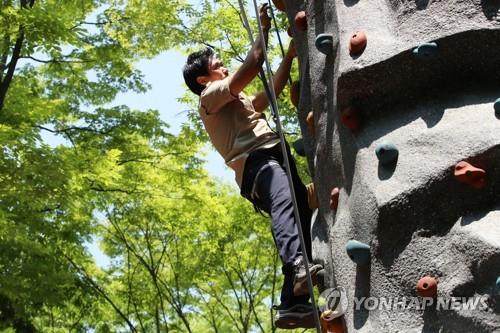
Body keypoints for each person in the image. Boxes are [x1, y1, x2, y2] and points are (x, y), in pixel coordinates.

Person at [182, 3, 322, 328]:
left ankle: (293, 304)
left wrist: (289, 56)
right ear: (204, 78)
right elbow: (253, 63)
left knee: (300, 212)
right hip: (257, 163)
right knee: (288, 200)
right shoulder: (209, 97)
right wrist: (262, 30)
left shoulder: (236, 102)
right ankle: (299, 266)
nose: (224, 66)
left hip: (272, 157)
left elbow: (271, 92)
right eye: (218, 65)